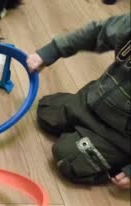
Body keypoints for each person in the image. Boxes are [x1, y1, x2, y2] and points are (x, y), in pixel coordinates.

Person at [26, 13, 131, 188]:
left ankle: (115, 161)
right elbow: (98, 32)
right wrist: (52, 51)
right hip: (92, 100)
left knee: (67, 157)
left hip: (118, 138)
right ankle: (82, 133)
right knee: (47, 111)